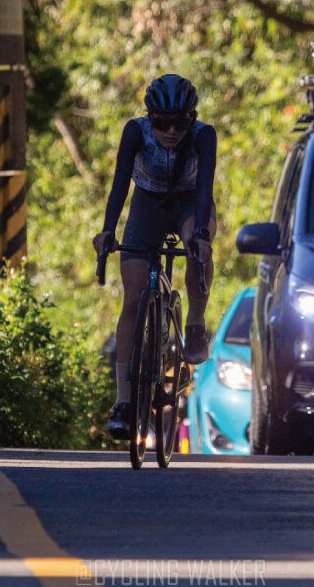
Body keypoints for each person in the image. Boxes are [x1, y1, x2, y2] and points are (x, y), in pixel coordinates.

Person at [93, 74, 217, 439]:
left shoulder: (203, 136)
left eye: (179, 123)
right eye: (161, 122)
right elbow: (119, 184)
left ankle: (194, 323)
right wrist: (107, 230)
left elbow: (206, 187)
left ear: (191, 120)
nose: (170, 131)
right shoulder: (135, 132)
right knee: (132, 297)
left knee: (195, 246)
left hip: (190, 201)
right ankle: (123, 402)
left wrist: (203, 236)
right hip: (147, 203)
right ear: (150, 118)